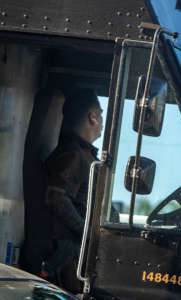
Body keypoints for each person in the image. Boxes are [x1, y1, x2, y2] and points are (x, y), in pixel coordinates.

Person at [42, 88, 106, 293]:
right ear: (92, 117)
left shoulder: (84, 155)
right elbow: (56, 197)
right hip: (69, 258)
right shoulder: (73, 153)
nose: (103, 121)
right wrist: (88, 235)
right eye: (101, 114)